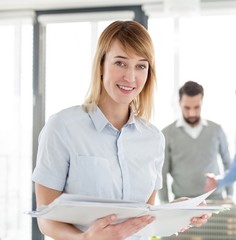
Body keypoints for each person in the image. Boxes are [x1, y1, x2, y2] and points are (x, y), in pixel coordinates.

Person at [32, 20, 209, 240]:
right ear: (101, 65)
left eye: (141, 66)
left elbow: (143, 217)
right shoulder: (62, 127)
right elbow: (45, 218)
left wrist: (177, 211)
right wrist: (85, 238)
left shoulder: (153, 138)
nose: (130, 77)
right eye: (120, 63)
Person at [159, 81, 233, 203]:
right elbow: (161, 172)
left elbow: (228, 163)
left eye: (196, 107)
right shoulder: (167, 134)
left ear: (202, 103)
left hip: (215, 201)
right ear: (179, 103)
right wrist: (165, 203)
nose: (192, 113)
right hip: (182, 202)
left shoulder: (216, 130)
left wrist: (230, 195)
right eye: (187, 108)